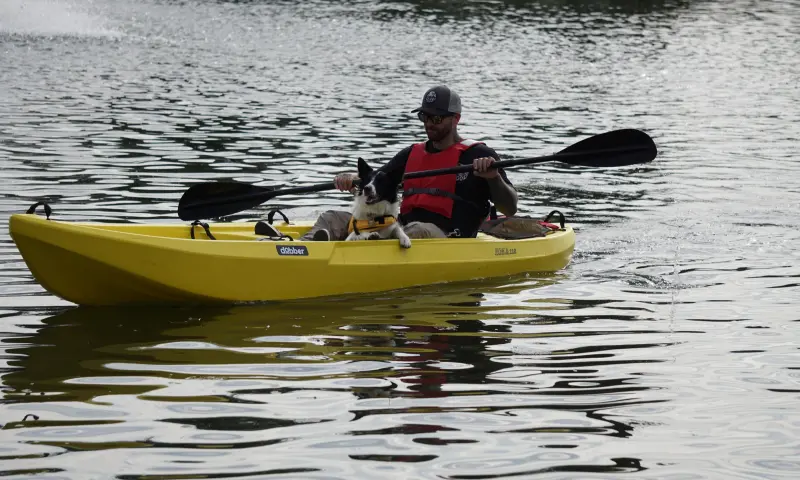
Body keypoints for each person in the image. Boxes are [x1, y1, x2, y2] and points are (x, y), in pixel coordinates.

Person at [299, 85, 518, 241]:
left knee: (415, 230)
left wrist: (494, 178)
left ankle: (365, 248)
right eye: (425, 117)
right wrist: (352, 178)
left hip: (448, 237)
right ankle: (303, 249)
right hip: (404, 227)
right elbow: (377, 180)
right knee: (333, 218)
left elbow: (509, 208)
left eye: (437, 118)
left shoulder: (479, 155)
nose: (429, 124)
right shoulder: (412, 153)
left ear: (456, 118)